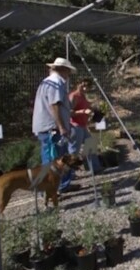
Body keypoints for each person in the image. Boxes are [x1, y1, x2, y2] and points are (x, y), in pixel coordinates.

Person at [32, 57, 76, 191]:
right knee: (52, 159)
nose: (68, 76)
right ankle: (50, 189)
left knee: (58, 157)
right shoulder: (55, 83)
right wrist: (61, 126)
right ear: (63, 70)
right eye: (68, 72)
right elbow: (54, 105)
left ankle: (59, 186)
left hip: (49, 127)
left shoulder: (48, 82)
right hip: (52, 128)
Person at [69, 79, 101, 173]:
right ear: (78, 84)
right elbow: (69, 113)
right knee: (74, 150)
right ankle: (70, 173)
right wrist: (83, 111)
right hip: (75, 126)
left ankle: (94, 169)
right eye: (83, 85)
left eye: (87, 86)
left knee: (90, 144)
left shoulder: (83, 96)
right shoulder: (74, 96)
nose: (85, 88)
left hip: (83, 126)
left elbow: (87, 107)